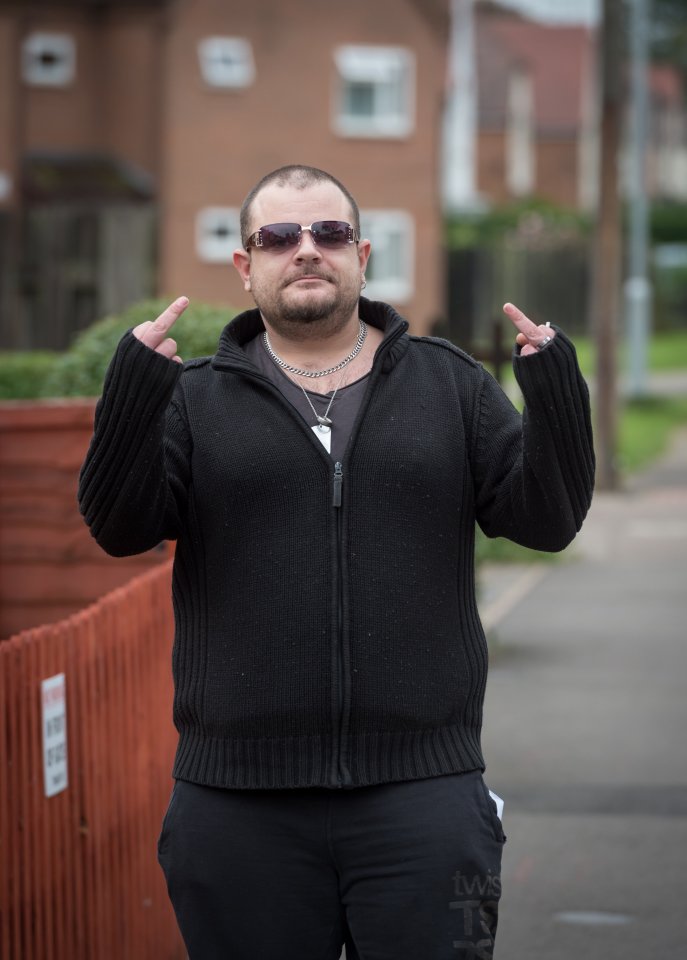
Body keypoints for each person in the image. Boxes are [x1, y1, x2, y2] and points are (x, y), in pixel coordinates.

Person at [78, 164, 594, 960]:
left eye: (328, 233)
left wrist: (553, 391)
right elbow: (118, 528)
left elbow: (548, 522)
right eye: (278, 237)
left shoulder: (449, 385)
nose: (306, 250)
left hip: (424, 795)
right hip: (236, 805)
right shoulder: (194, 398)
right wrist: (133, 391)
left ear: (362, 253)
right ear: (247, 266)